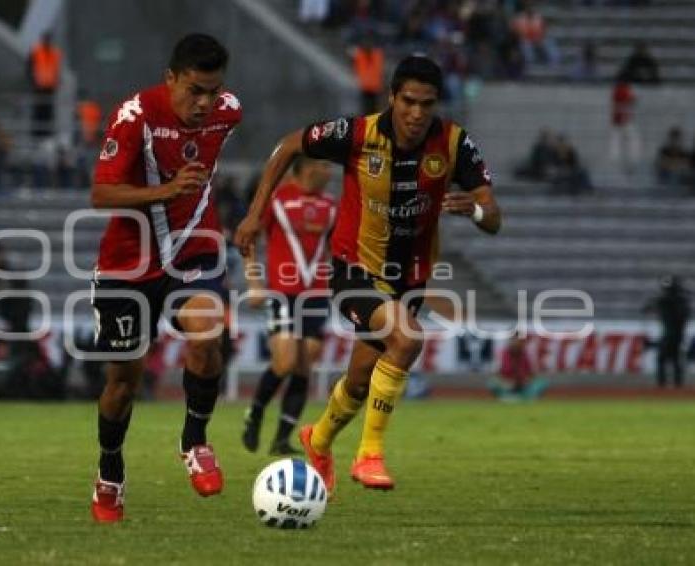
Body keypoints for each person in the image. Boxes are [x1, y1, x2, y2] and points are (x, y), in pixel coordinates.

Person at [235, 55, 501, 494]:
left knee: (360, 379)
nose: (417, 113)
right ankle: (369, 454)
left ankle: (316, 440)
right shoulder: (357, 134)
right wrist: (254, 212)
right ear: (392, 97)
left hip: (409, 278)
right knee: (409, 337)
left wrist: (473, 209)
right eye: (409, 102)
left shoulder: (455, 144)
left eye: (427, 104)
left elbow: (494, 217)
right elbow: (289, 145)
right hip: (354, 268)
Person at [88, 33, 242, 522]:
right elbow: (101, 194)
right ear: (170, 78)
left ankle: (194, 441)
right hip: (127, 265)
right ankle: (110, 471)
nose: (204, 103)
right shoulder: (134, 116)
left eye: (212, 92)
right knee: (122, 384)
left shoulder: (228, 111)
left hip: (194, 252)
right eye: (194, 90)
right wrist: (168, 189)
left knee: (208, 334)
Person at [241, 156, 336, 455]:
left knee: (305, 362)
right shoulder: (276, 199)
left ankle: (281, 438)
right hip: (283, 292)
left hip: (317, 294)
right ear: (309, 168)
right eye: (325, 165)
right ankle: (254, 415)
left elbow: (338, 248)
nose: (329, 170)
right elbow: (247, 240)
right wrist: (255, 283)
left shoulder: (331, 205)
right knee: (285, 361)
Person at [644, 275, 690, 388]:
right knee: (675, 359)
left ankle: (662, 385)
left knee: (663, 359)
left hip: (671, 334)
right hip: (678, 334)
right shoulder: (681, 301)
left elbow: (648, 307)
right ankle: (677, 384)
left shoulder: (666, 301)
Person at [487, 333, 547, 401]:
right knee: (492, 383)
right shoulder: (502, 354)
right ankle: (507, 397)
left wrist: (526, 381)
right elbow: (497, 373)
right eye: (514, 340)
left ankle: (525, 397)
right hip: (507, 384)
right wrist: (507, 382)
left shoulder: (527, 354)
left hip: (524, 384)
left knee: (541, 382)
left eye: (518, 340)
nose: (516, 342)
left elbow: (533, 374)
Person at [27, 32, 62, 138]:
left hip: (50, 87)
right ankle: (37, 134)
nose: (47, 41)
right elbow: (29, 68)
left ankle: (47, 134)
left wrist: (56, 82)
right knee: (38, 111)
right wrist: (33, 82)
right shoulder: (36, 51)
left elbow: (56, 69)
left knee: (48, 111)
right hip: (39, 86)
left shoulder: (55, 53)